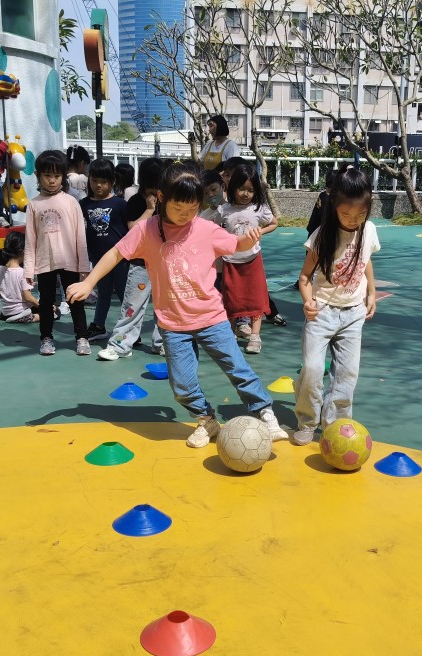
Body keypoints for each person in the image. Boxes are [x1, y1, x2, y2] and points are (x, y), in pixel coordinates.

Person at [65, 160, 288, 449]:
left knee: (238, 369)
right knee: (182, 386)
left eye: (192, 208)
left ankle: (265, 413)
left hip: (211, 318)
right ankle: (206, 420)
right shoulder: (147, 230)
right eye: (178, 208)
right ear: (161, 198)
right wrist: (88, 282)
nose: (185, 215)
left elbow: (236, 245)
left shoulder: (205, 228)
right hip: (173, 325)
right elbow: (116, 253)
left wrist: (248, 240)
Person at [291, 166, 378, 446]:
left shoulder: (369, 230)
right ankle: (307, 420)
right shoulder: (322, 236)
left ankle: (335, 424)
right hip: (322, 313)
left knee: (347, 374)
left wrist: (372, 292)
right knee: (312, 368)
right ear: (334, 207)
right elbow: (304, 277)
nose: (353, 221)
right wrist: (308, 302)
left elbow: (365, 260)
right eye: (346, 215)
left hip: (353, 314)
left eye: (360, 215)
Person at [96, 157, 166, 361]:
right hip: (140, 264)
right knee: (132, 306)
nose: (155, 190)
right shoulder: (136, 201)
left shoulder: (168, 201)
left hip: (165, 263)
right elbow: (133, 230)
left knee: (165, 307)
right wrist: (150, 210)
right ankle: (120, 345)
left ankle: (162, 343)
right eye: (152, 185)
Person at [23, 149, 92, 357]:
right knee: (46, 302)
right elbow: (30, 239)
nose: (52, 180)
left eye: (56, 175)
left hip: (70, 261)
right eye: (47, 175)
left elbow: (80, 236)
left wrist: (84, 266)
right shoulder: (34, 205)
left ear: (63, 176)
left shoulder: (71, 202)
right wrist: (28, 270)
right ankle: (46, 338)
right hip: (45, 262)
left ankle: (81, 338)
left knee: (75, 301)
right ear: (38, 176)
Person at [211, 161, 277, 354]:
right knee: (231, 299)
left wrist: (260, 232)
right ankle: (230, 334)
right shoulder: (224, 210)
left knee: (255, 298)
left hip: (252, 260)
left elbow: (274, 223)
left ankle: (255, 336)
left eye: (250, 190)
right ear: (233, 187)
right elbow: (212, 228)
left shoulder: (259, 208)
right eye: (241, 188)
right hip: (231, 261)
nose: (246, 194)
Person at [80, 159, 131, 342]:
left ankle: (130, 330)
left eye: (103, 181)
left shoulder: (120, 204)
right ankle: (98, 325)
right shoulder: (83, 205)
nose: (99, 185)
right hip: (98, 259)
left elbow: (131, 229)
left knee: (125, 294)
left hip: (120, 259)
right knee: (103, 293)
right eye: (94, 180)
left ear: (112, 181)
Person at [0, 230, 40, 323]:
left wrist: (10, 299)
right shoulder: (23, 272)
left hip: (6, 311)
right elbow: (28, 297)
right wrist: (43, 307)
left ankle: (1, 312)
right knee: (53, 313)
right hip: (21, 311)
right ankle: (19, 317)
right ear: (22, 252)